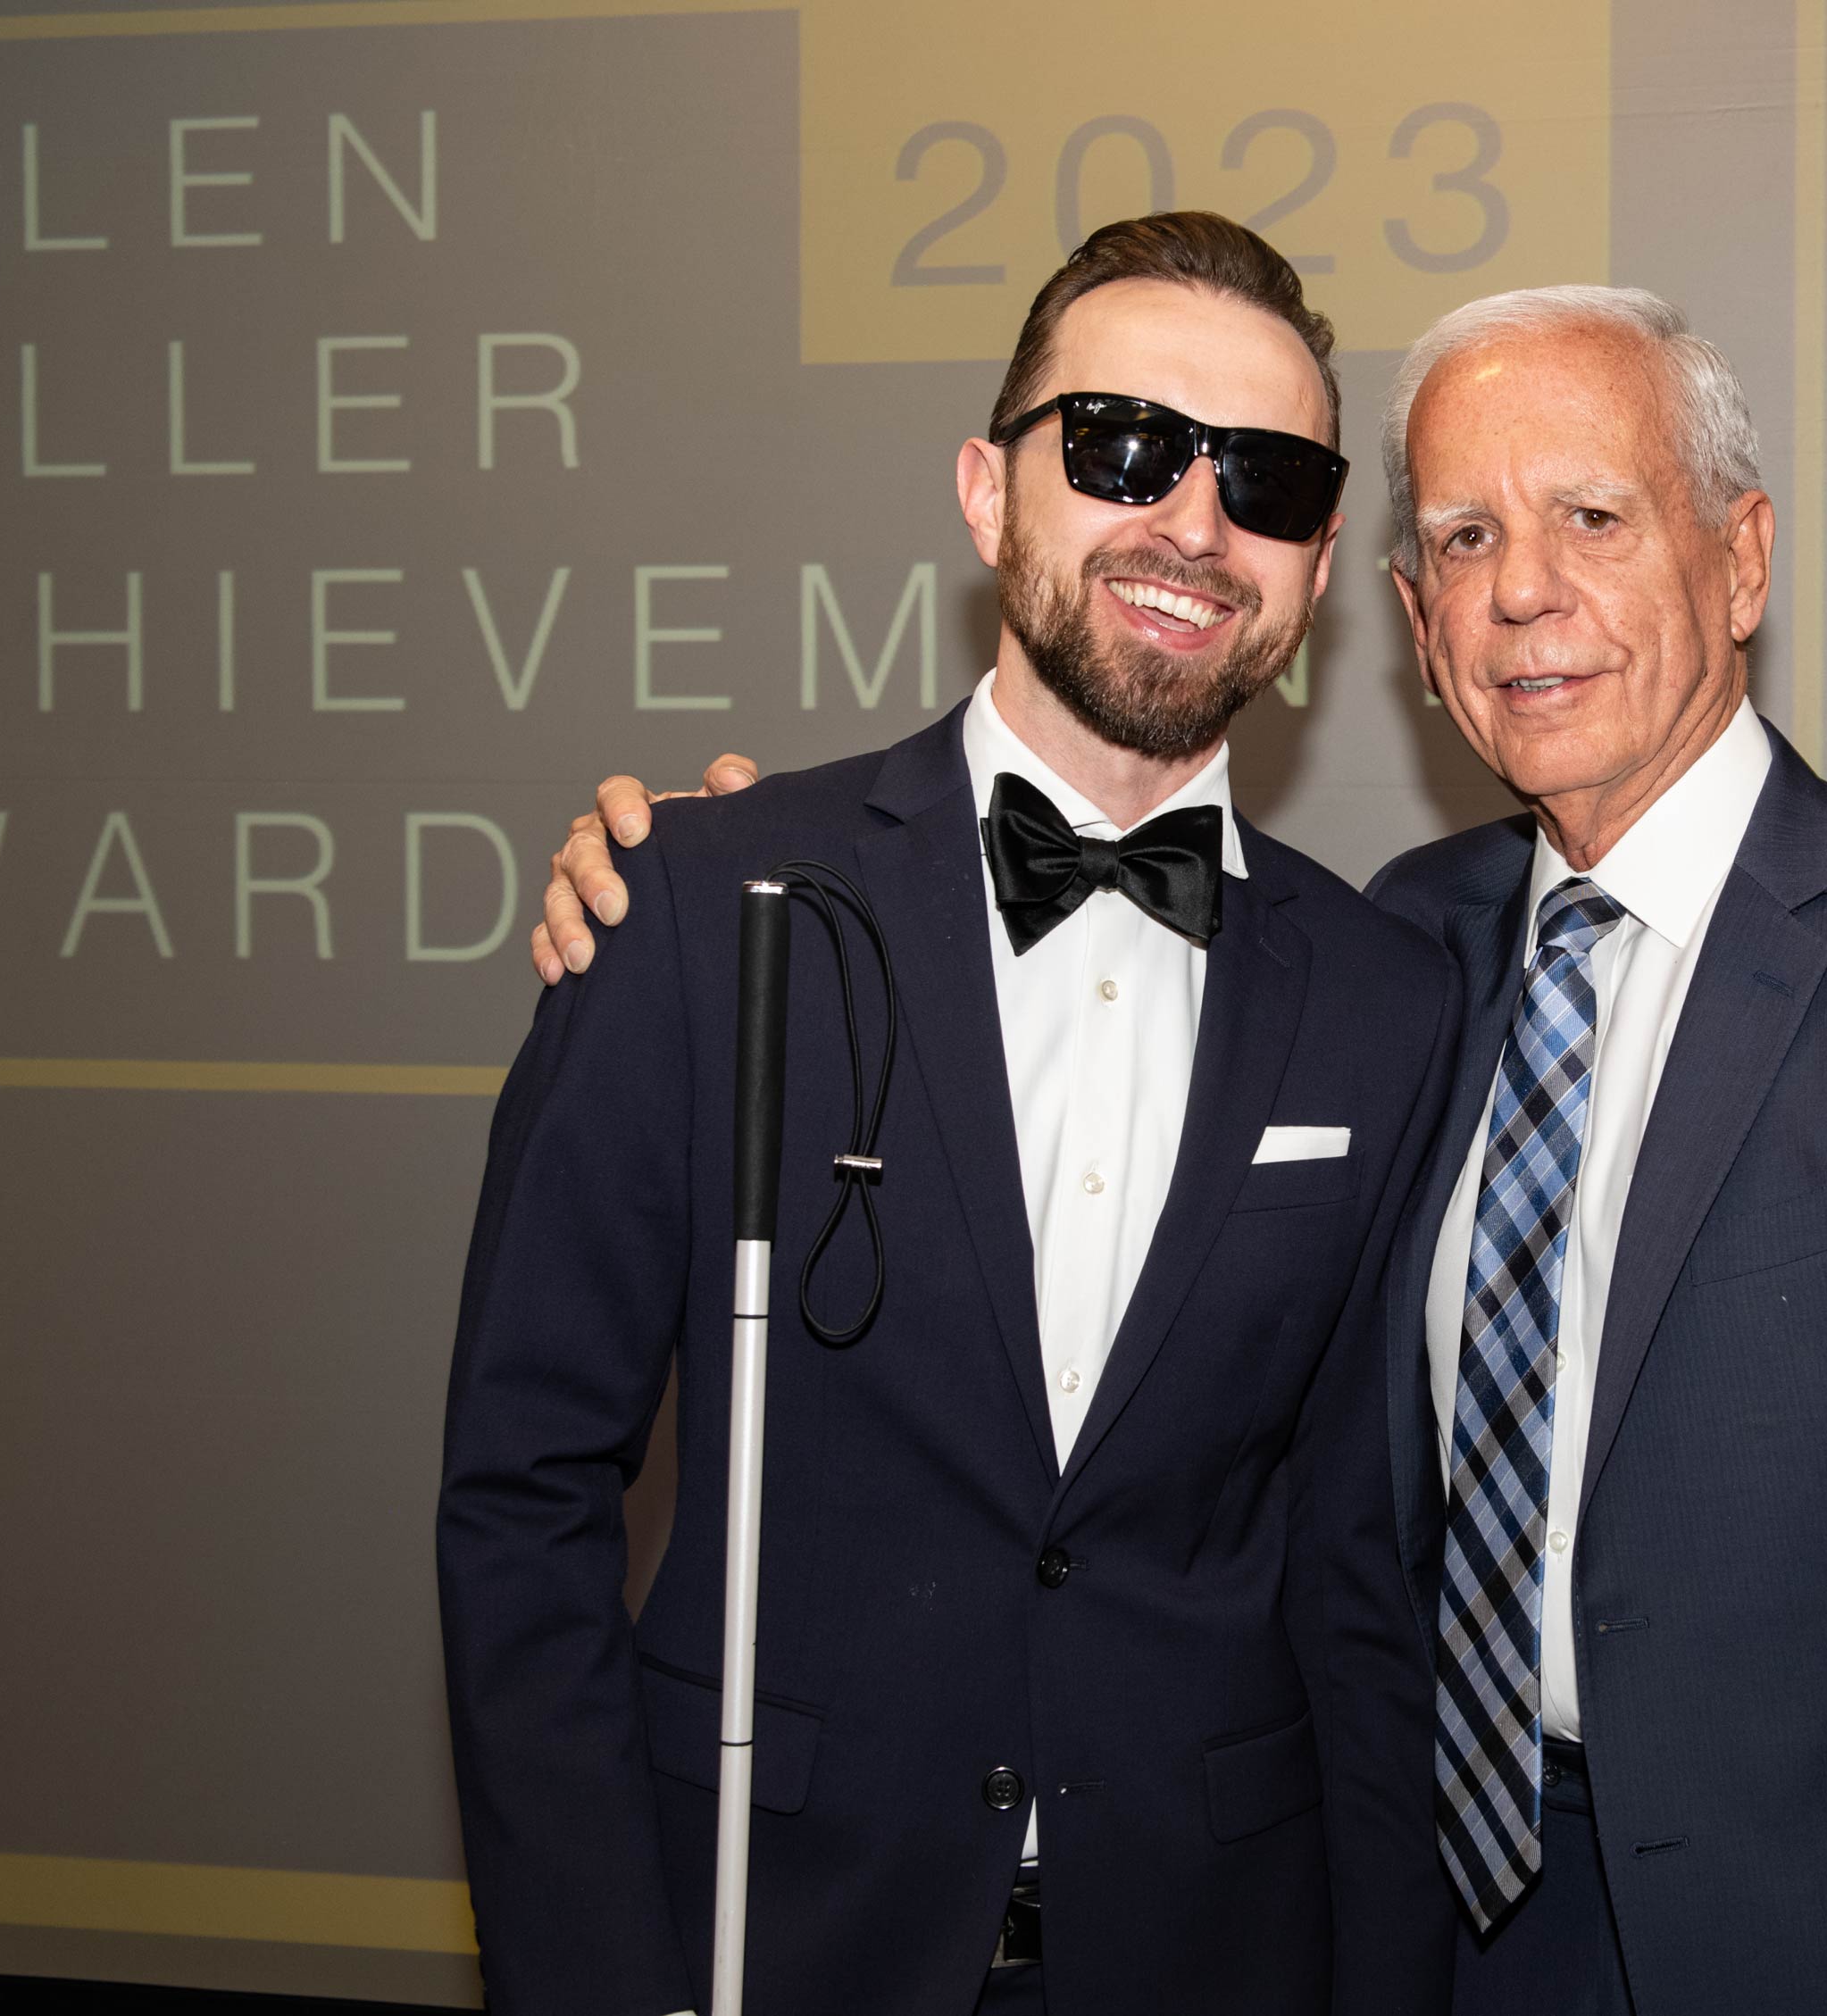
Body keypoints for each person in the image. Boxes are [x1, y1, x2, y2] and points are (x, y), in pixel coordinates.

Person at [544, 284, 1827, 2016]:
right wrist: (679, 870)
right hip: (1443, 1934)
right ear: (1417, 623)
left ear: (1740, 560)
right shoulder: (1406, 955)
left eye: (1593, 515)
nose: (1524, 589)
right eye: (1467, 538)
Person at [439, 213, 1461, 2016]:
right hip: (770, 1941)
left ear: (1312, 579)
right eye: (1125, 447)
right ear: (990, 494)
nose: (1193, 523)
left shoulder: (1386, 1000)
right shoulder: (701, 906)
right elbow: (522, 1497)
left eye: (1274, 482)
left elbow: (1357, 1579)